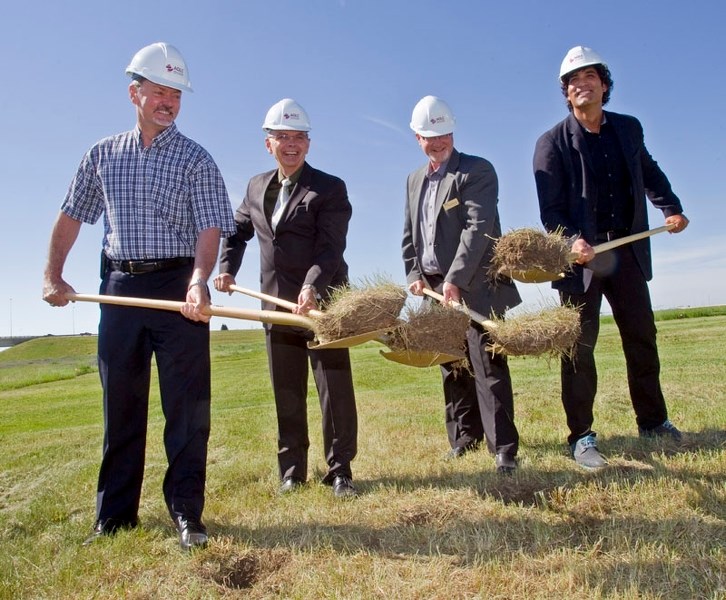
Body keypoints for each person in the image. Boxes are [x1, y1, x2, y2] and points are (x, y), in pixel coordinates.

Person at [42, 42, 235, 549]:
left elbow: (210, 227)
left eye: (176, 93)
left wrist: (198, 281)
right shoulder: (102, 155)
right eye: (159, 91)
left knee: (188, 410)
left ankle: (187, 515)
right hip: (121, 289)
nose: (168, 101)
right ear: (135, 93)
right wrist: (52, 275)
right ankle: (114, 516)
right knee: (121, 406)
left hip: (178, 291)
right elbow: (71, 215)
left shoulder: (197, 159)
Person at [533, 46, 689, 469]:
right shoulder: (551, 143)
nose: (581, 85)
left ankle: (654, 422)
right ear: (566, 93)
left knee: (641, 338)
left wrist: (669, 207)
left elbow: (649, 171)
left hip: (628, 251)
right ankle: (581, 436)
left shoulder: (628, 129)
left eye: (590, 78)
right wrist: (570, 243)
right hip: (582, 260)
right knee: (578, 349)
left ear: (604, 85)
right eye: (572, 81)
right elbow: (552, 210)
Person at [214, 98, 358, 498]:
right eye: (282, 137)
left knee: (333, 388)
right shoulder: (256, 186)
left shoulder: (329, 188)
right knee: (287, 390)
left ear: (308, 144)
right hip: (275, 305)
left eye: (298, 137)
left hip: (323, 303)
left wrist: (311, 286)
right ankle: (292, 469)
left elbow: (331, 249)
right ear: (268, 143)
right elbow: (236, 229)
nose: (290, 145)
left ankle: (340, 469)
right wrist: (226, 267)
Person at [402, 96, 522, 474]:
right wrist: (414, 274)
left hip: (476, 285)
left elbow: (478, 229)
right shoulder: (414, 179)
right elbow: (411, 233)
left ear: (452, 132)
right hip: (435, 288)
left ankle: (503, 449)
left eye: (443, 135)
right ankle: (463, 438)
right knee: (451, 365)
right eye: (429, 137)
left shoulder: (476, 171)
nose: (437, 143)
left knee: (487, 366)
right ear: (416, 137)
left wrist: (454, 279)